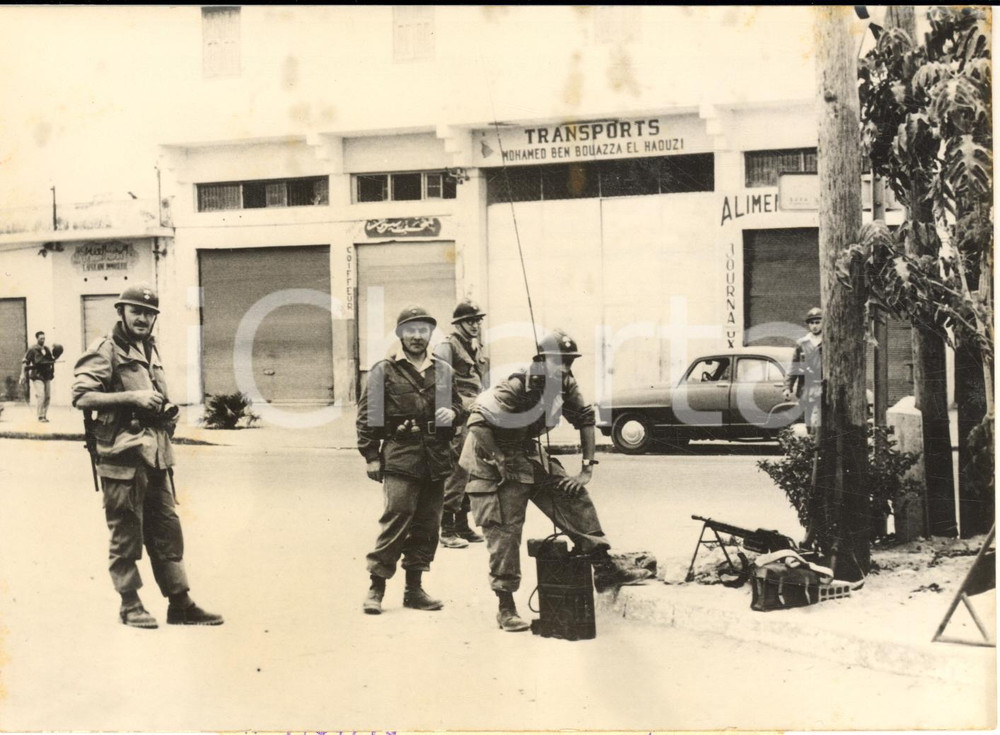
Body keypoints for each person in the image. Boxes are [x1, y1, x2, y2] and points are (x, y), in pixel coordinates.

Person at [459, 329, 655, 633]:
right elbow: (477, 423)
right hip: (489, 454)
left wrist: (586, 469)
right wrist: (499, 459)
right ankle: (505, 605)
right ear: (541, 361)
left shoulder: (565, 383)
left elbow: (586, 418)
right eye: (558, 361)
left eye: (569, 361)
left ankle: (602, 565)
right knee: (506, 528)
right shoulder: (517, 385)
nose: (564, 367)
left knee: (571, 493)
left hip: (524, 449)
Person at [72, 283, 223, 629]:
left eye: (148, 313)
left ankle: (180, 602)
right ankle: (130, 603)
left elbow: (153, 395)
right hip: (122, 456)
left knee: (167, 530)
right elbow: (82, 395)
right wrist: (133, 399)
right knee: (126, 531)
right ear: (121, 313)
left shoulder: (149, 348)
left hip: (156, 456)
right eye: (136, 311)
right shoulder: (104, 350)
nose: (142, 318)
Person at [357, 305, 466, 615]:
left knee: (428, 525)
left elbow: (461, 408)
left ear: (431, 333)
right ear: (400, 334)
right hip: (400, 456)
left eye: (423, 330)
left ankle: (414, 589)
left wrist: (454, 413)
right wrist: (370, 456)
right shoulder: (384, 370)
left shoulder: (444, 370)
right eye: (411, 330)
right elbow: (367, 417)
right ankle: (376, 587)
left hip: (436, 457)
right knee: (397, 518)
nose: (418, 336)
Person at [433, 299, 490, 549]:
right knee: (457, 470)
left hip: (475, 412)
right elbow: (441, 384)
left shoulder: (472, 345)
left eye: (478, 320)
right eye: (470, 321)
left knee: (470, 468)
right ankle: (446, 529)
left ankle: (462, 524)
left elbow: (479, 380)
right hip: (459, 415)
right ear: (459, 323)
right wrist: (450, 419)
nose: (476, 325)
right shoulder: (448, 346)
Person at [784, 307, 823, 432]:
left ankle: (818, 445)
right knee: (808, 417)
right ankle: (811, 445)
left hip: (823, 384)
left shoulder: (829, 341)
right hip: (806, 385)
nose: (814, 326)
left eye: (817, 322)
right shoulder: (802, 343)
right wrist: (787, 387)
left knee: (818, 417)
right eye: (812, 323)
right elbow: (794, 365)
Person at [20, 331, 55, 422]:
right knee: (41, 395)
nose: (43, 340)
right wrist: (22, 374)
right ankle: (40, 416)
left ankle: (44, 415)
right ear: (37, 339)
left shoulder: (47, 349)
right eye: (41, 338)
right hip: (37, 375)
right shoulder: (32, 349)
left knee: (47, 396)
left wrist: (52, 371)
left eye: (44, 338)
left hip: (46, 375)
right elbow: (25, 361)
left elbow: (52, 361)